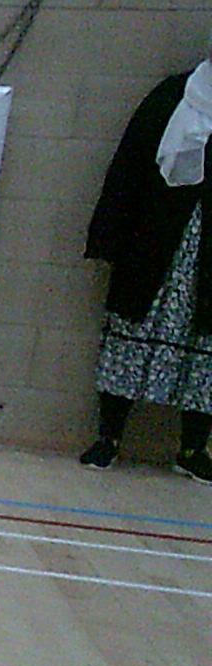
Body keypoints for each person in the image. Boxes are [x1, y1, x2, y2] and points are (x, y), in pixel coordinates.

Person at [81, 44, 212, 478]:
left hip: (206, 259)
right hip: (155, 244)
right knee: (131, 334)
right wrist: (107, 238)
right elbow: (129, 167)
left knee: (205, 352)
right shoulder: (173, 95)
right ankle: (109, 437)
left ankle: (193, 448)